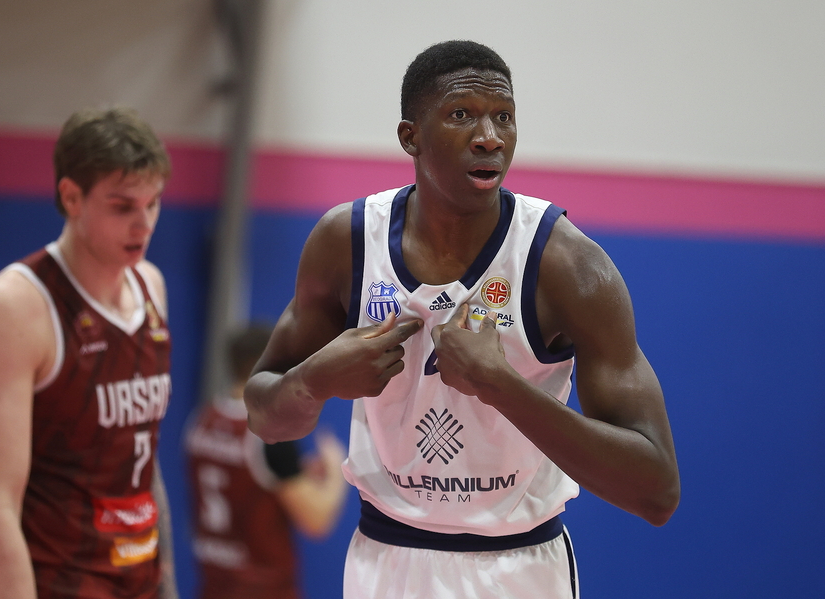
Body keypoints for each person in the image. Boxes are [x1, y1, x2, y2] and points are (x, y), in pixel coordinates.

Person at [243, 40, 680, 599]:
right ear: (411, 137)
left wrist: (501, 386)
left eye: (504, 117)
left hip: (517, 567)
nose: (490, 137)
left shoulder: (566, 265)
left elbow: (656, 491)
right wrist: (314, 380)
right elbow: (265, 417)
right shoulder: (346, 242)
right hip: (385, 561)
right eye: (461, 115)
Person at [0, 106, 179, 599]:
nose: (144, 224)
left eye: (153, 204)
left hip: (138, 580)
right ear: (71, 196)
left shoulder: (151, 286)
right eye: (123, 207)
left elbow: (144, 460)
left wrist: (166, 586)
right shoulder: (16, 306)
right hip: (54, 583)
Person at [183, 323, 349, 599]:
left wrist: (298, 471)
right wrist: (337, 470)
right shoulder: (269, 435)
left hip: (212, 586)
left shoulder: (201, 421)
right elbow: (317, 520)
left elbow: (243, 483)